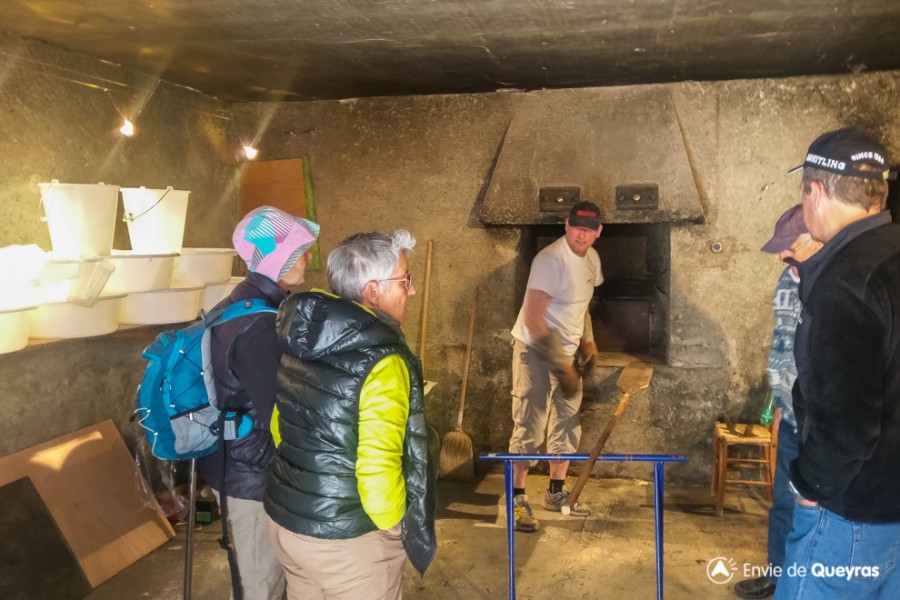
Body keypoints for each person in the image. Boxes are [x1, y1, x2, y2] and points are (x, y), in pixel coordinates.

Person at [265, 230, 436, 599]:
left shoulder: (301, 337)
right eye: (405, 280)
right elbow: (377, 463)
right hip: (346, 541)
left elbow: (280, 425)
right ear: (373, 292)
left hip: (288, 522)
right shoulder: (383, 358)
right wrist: (393, 523)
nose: (412, 290)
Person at [774, 127, 900, 599]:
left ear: (818, 192)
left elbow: (844, 412)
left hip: (851, 509)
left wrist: (812, 484)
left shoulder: (845, 279)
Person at [198, 205, 320, 600]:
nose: (308, 258)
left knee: (265, 579)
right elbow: (281, 415)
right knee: (261, 585)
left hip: (238, 464)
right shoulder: (258, 326)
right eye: (301, 250)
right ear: (279, 259)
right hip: (251, 478)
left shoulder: (239, 304)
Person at [733, 205, 822, 600]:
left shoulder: (836, 284)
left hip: (823, 421)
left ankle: (814, 583)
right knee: (784, 502)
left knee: (819, 509)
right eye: (781, 250)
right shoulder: (786, 282)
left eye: (791, 248)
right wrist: (779, 400)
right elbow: (781, 345)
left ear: (817, 239)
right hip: (791, 415)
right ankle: (777, 576)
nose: (784, 257)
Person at [508, 200, 603, 532]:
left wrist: (587, 342)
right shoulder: (550, 260)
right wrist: (562, 368)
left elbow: (583, 305)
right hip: (535, 351)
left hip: (568, 352)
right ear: (566, 225)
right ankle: (518, 500)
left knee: (566, 421)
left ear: (598, 232)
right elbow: (534, 319)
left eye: (589, 230)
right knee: (530, 425)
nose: (581, 234)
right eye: (576, 227)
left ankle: (555, 493)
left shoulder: (591, 259)